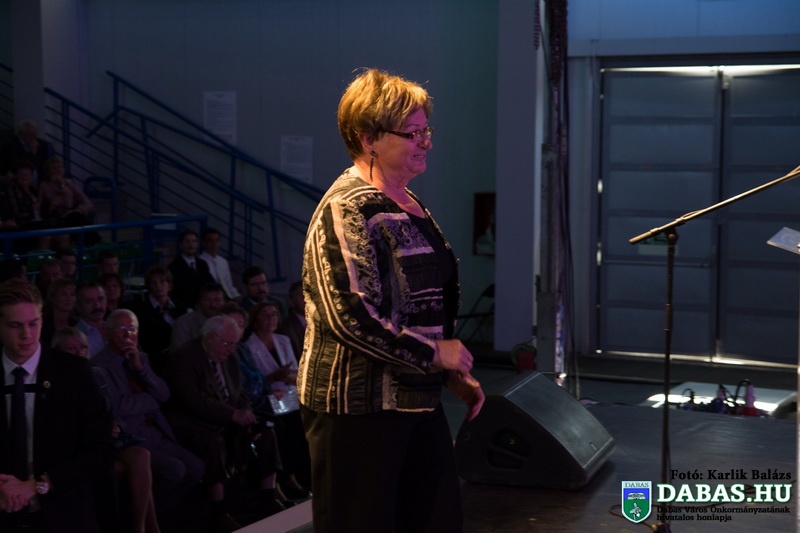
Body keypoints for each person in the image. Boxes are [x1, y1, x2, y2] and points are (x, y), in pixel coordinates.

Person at [298, 68, 485, 533]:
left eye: (426, 130)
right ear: (369, 139)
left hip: (415, 400)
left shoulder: (407, 202)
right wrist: (433, 354)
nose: (426, 142)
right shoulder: (346, 207)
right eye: (413, 133)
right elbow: (349, 317)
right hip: (357, 410)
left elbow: (423, 305)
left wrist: (448, 371)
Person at [0, 279, 114, 532]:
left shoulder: (74, 373)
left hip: (65, 516)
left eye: (33, 323)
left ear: (43, 319)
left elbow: (101, 448)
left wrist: (39, 485)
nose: (27, 335)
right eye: (15, 325)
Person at [163, 315, 285, 530]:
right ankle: (219, 510)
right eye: (228, 343)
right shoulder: (184, 357)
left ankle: (269, 496)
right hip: (193, 420)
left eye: (234, 344)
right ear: (211, 337)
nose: (231, 349)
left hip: (226, 413)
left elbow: (239, 391)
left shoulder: (229, 356)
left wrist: (246, 411)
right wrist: (232, 414)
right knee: (213, 442)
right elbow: (192, 400)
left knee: (266, 429)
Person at [92, 310, 204, 515]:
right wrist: (151, 400)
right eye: (122, 329)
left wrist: (140, 368)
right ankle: (142, 517)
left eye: (132, 329)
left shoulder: (140, 358)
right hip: (130, 438)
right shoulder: (99, 366)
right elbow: (117, 407)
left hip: (156, 432)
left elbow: (164, 394)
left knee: (196, 467)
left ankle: (159, 514)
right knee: (174, 470)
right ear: (107, 333)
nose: (128, 335)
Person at [52, 326, 161, 533]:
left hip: (109, 439)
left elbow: (113, 410)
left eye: (82, 347)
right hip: (83, 446)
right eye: (70, 348)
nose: (78, 352)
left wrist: (116, 425)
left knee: (141, 455)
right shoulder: (56, 382)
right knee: (116, 469)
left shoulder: (98, 374)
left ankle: (141, 527)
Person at [243, 301, 310, 498]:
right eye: (265, 315)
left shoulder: (283, 340)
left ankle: (298, 475)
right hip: (268, 399)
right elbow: (256, 381)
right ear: (255, 321)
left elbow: (295, 371)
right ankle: (284, 478)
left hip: (290, 395)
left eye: (274, 314)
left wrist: (287, 377)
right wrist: (276, 377)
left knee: (302, 424)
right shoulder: (249, 346)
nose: (271, 318)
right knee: (284, 429)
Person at [128, 266, 187, 374]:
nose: (158, 286)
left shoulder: (180, 306)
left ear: (169, 285)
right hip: (157, 363)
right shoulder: (141, 311)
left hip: (181, 358)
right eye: (154, 283)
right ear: (149, 286)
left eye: (162, 281)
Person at [38, 158, 95, 249]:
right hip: (57, 220)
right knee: (75, 218)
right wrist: (62, 185)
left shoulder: (69, 183)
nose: (58, 170)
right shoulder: (45, 186)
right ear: (48, 172)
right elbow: (67, 203)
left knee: (76, 216)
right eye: (54, 168)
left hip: (72, 217)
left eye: (60, 167)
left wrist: (78, 210)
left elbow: (87, 202)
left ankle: (93, 244)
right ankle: (96, 243)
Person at [169, 282, 225, 350]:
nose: (213, 304)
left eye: (217, 300)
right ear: (200, 302)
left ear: (224, 302)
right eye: (207, 300)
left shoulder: (229, 322)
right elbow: (180, 353)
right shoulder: (183, 324)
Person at [168, 230, 215, 310]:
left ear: (197, 244)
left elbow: (211, 283)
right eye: (187, 241)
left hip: (205, 305)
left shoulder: (202, 264)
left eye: (194, 241)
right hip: (186, 308)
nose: (191, 244)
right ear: (181, 244)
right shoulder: (173, 267)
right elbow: (176, 293)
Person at [199, 228, 241, 301]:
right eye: (210, 241)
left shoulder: (223, 262)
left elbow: (229, 285)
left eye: (217, 240)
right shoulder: (200, 262)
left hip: (227, 297)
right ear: (204, 243)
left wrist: (236, 296)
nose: (214, 243)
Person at [40, 278, 78, 349]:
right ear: (52, 297)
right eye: (64, 294)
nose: (69, 299)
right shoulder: (42, 324)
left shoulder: (77, 323)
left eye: (72, 294)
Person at [75, 281, 108, 357]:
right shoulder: (75, 337)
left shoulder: (114, 328)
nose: (97, 306)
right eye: (89, 302)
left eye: (100, 299)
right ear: (78, 306)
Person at [276, 280, 305, 361]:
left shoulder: (324, 322)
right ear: (291, 301)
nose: (308, 299)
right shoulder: (284, 328)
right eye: (302, 295)